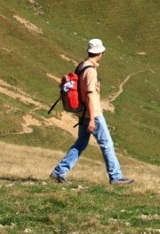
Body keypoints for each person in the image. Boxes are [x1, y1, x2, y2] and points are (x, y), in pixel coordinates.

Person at [50, 38, 134, 185]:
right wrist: (92, 119)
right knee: (107, 143)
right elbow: (89, 95)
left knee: (81, 143)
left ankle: (59, 172)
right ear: (100, 53)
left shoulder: (81, 66)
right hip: (92, 113)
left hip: (83, 113)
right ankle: (115, 176)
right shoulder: (90, 71)